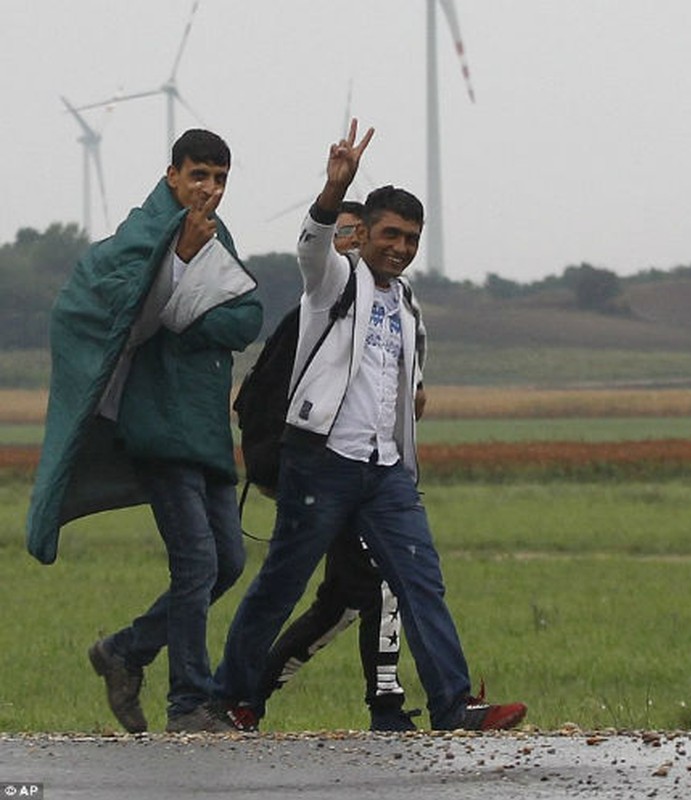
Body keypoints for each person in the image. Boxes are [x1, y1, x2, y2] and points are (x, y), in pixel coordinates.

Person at [213, 120, 526, 732]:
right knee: (282, 583)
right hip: (322, 463)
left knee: (421, 582)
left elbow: (397, 388)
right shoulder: (336, 281)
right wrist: (335, 190)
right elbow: (311, 244)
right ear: (365, 236)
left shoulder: (407, 306)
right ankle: (229, 695)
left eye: (412, 239)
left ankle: (453, 706)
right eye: (391, 235)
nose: (401, 248)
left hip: (386, 472)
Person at [25, 129, 263, 733]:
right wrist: (181, 267)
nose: (209, 189)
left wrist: (187, 317)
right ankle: (189, 704)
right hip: (156, 425)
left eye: (219, 178)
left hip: (204, 427)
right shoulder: (142, 234)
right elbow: (123, 315)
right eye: (199, 175)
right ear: (171, 175)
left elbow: (247, 316)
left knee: (229, 562)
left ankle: (125, 651)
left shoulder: (218, 234)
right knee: (196, 564)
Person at [257, 200, 427, 732]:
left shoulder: (400, 304)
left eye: (359, 233)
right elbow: (266, 401)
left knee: (345, 599)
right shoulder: (317, 311)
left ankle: (247, 696)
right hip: (318, 474)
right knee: (371, 584)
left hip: (374, 472)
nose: (353, 243)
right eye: (348, 233)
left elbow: (407, 385)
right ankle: (386, 708)